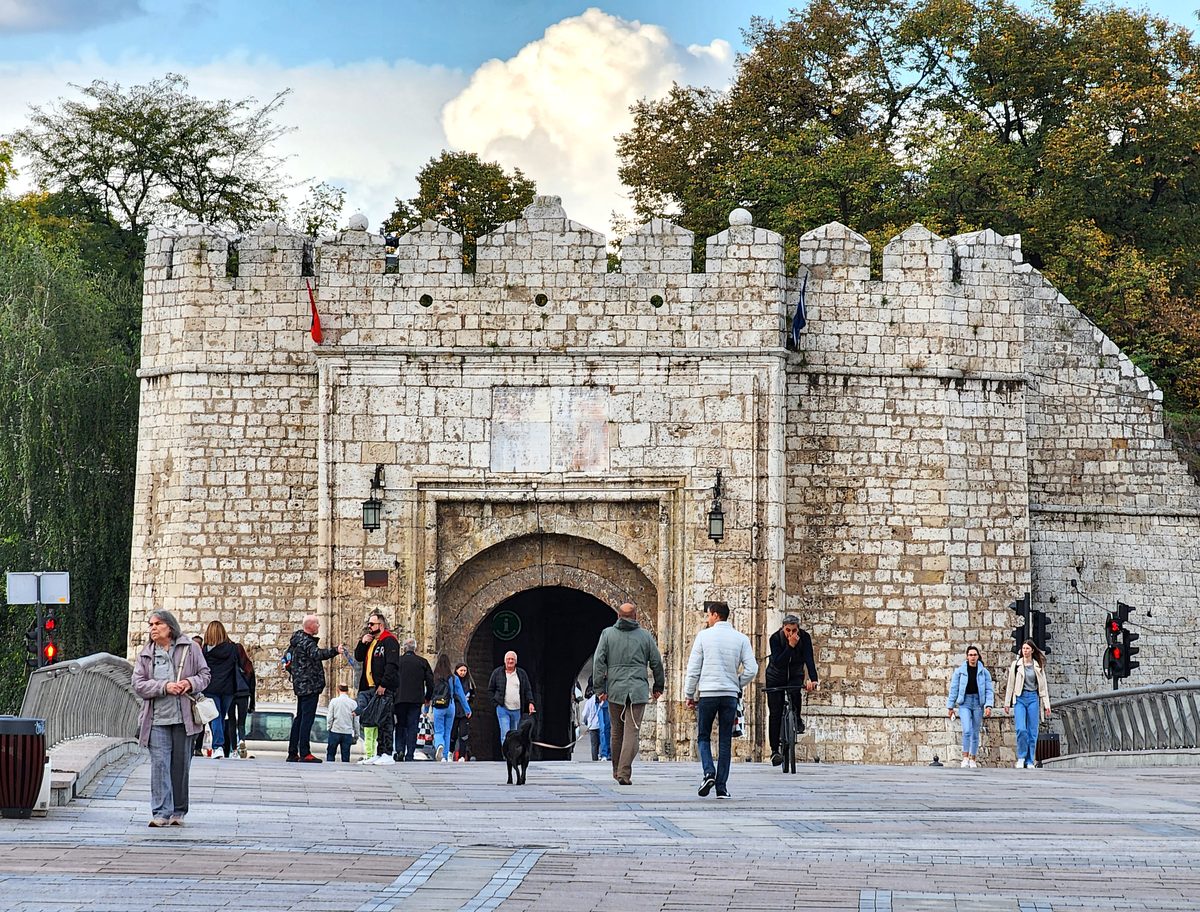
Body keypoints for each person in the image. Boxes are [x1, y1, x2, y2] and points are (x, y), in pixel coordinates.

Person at [132, 609, 211, 827]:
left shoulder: (191, 649)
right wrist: (164, 687)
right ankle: (160, 812)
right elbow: (138, 684)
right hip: (157, 718)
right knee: (159, 765)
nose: (153, 628)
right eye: (151, 625)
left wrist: (189, 683)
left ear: (170, 626)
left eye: (158, 624)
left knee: (180, 765)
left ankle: (178, 810)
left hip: (184, 718)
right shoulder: (146, 654)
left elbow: (205, 676)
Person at [685, 600, 758, 800]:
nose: (707, 619)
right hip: (729, 695)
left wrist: (689, 694)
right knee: (725, 740)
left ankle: (708, 772)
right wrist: (736, 683)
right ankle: (722, 788)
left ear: (716, 615)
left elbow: (693, 670)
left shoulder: (703, 637)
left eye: (709, 615)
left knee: (703, 736)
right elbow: (752, 669)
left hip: (708, 693)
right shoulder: (740, 638)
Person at [592, 602, 665, 786]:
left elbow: (599, 662)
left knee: (616, 732)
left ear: (618, 616)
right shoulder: (645, 636)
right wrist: (658, 686)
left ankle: (617, 771)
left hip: (615, 689)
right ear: (636, 616)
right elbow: (656, 662)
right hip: (638, 690)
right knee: (632, 731)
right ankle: (624, 772)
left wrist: (599, 689)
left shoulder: (607, 634)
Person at [286, 614, 346, 763]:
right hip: (309, 685)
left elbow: (287, 659)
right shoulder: (307, 642)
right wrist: (335, 650)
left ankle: (293, 752)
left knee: (300, 718)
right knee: (307, 719)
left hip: (301, 684)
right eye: (317, 624)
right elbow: (318, 654)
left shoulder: (296, 640)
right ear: (310, 626)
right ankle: (305, 752)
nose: (319, 626)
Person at [764, 613, 818, 766]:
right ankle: (775, 751)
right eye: (788, 630)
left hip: (795, 674)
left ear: (798, 629)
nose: (791, 634)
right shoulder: (775, 639)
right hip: (776, 676)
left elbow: (809, 658)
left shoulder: (805, 638)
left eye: (794, 630)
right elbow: (779, 662)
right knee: (775, 712)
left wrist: (813, 679)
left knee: (795, 693)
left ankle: (797, 718)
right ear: (783, 628)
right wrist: (790, 646)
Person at [354, 612, 400, 766]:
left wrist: (384, 684)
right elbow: (358, 657)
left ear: (380, 625)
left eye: (372, 624)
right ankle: (379, 752)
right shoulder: (373, 642)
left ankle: (387, 752)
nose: (369, 626)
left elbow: (391, 665)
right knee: (377, 719)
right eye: (369, 624)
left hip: (383, 687)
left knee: (386, 719)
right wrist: (362, 642)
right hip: (370, 687)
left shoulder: (389, 641)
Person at [1004, 638, 1051, 769]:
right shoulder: (1016, 665)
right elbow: (1010, 684)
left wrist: (1047, 705)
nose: (1025, 651)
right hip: (1020, 697)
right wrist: (1007, 703)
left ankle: (1030, 760)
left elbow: (1043, 687)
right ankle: (1021, 756)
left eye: (1027, 649)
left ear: (1032, 650)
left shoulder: (1038, 665)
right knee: (1021, 729)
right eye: (1023, 648)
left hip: (1033, 698)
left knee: (1032, 731)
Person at [947, 645, 994, 768]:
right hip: (965, 703)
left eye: (975, 655)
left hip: (978, 703)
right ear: (967, 657)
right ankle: (965, 757)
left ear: (978, 656)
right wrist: (950, 707)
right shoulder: (960, 672)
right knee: (967, 730)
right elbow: (954, 689)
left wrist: (988, 705)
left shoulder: (984, 672)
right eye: (970, 655)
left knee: (975, 732)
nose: (973, 657)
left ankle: (973, 758)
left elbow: (989, 690)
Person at [201, 620, 239, 759]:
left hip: (211, 687)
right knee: (221, 716)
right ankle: (220, 746)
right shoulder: (232, 648)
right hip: (228, 688)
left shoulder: (205, 650)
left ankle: (218, 746)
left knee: (215, 716)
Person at [394, 636, 434, 761]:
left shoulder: (397, 661)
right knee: (412, 726)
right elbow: (430, 682)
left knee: (400, 725)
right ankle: (410, 753)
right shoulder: (422, 662)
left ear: (404, 649)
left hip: (399, 698)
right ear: (415, 648)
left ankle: (400, 749)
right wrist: (428, 697)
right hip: (416, 699)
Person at [488, 650, 536, 749]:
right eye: (508, 659)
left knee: (515, 733)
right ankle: (507, 754)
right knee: (505, 732)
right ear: (505, 661)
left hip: (517, 708)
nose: (510, 661)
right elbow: (490, 689)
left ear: (516, 661)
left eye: (512, 659)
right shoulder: (497, 673)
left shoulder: (521, 674)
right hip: (503, 707)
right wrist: (495, 703)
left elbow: (527, 690)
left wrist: (531, 703)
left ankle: (513, 753)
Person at [431, 653, 471, 761]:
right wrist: (467, 710)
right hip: (450, 706)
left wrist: (426, 709)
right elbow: (461, 695)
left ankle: (439, 744)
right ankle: (444, 756)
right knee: (448, 732)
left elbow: (429, 692)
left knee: (439, 730)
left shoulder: (434, 677)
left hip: (438, 706)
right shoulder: (454, 678)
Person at [227, 639, 256, 759]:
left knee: (231, 722)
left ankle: (233, 749)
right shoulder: (247, 665)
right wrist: (252, 703)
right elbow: (252, 684)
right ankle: (242, 740)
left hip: (230, 693)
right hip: (244, 693)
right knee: (242, 723)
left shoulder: (227, 663)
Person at [326, 684, 359, 762]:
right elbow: (356, 720)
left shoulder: (334, 701)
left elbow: (330, 716)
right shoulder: (353, 703)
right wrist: (357, 733)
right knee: (346, 755)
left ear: (338, 690)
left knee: (331, 753)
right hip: (347, 732)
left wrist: (329, 727)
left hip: (335, 730)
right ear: (348, 691)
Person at [449, 661, 475, 761]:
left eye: (465, 670)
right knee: (453, 734)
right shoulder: (453, 680)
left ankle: (462, 755)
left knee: (464, 735)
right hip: (455, 710)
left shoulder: (469, 682)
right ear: (456, 670)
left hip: (464, 712)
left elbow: (473, 694)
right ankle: (450, 752)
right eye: (461, 670)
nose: (463, 672)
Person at [581, 691, 602, 760]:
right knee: (602, 743)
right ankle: (602, 757)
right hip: (601, 725)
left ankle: (595, 759)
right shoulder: (602, 700)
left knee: (594, 745)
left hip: (592, 726)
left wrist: (585, 722)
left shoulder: (589, 702)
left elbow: (584, 714)